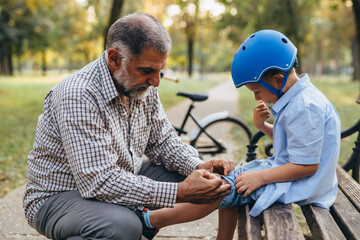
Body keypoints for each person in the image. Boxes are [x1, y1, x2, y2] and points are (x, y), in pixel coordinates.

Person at [23, 12, 234, 240]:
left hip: (117, 180)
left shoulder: (141, 86)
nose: (156, 82)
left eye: (160, 70)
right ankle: (127, 225)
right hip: (59, 197)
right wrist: (179, 192)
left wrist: (200, 167)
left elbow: (164, 142)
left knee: (214, 185)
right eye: (147, 70)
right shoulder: (78, 94)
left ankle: (144, 221)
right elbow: (100, 181)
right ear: (114, 58)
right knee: (122, 228)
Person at [134, 29, 341, 240]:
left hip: (305, 184)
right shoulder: (299, 99)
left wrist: (259, 176)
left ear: (277, 80)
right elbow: (295, 147)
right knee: (228, 183)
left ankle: (152, 220)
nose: (255, 98)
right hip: (296, 176)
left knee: (221, 188)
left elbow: (307, 165)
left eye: (257, 91)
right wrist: (263, 127)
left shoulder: (304, 107)